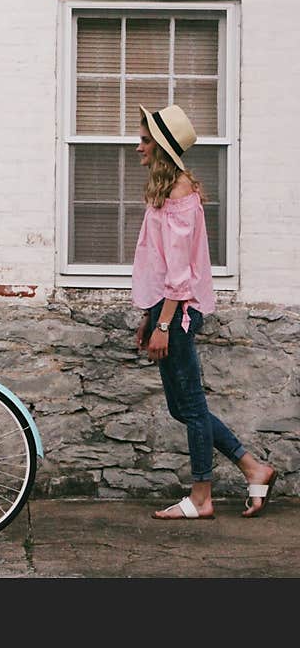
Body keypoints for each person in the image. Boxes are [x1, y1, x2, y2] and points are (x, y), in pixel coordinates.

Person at [132, 104, 277, 520]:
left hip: (177, 312)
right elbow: (158, 265)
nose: (138, 147)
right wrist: (149, 315)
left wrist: (163, 322)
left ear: (161, 147)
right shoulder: (165, 191)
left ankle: (201, 497)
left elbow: (179, 274)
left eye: (145, 140)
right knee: (183, 407)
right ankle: (253, 466)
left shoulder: (179, 196)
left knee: (191, 407)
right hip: (165, 309)